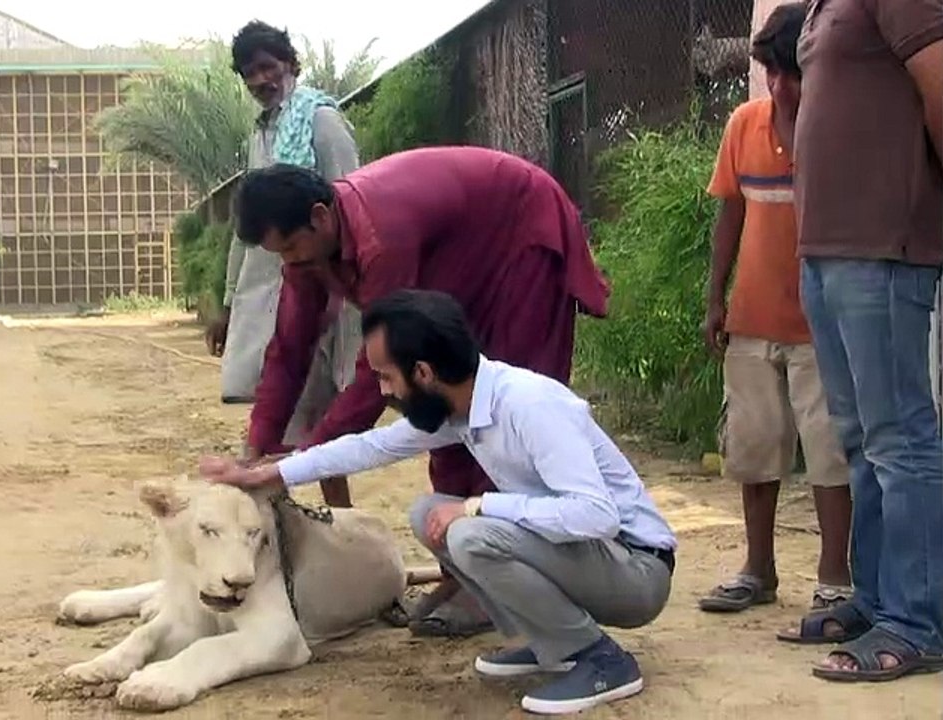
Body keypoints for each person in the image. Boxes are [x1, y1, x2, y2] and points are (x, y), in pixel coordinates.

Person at [201, 289, 675, 716]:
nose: (384, 391)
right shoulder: (461, 405)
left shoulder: (530, 405)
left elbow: (594, 514)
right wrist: (270, 471)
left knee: (468, 530)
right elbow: (369, 447)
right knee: (428, 513)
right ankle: (555, 641)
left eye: (387, 377)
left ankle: (601, 661)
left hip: (636, 571)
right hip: (595, 559)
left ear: (423, 373)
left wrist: (478, 505)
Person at [232, 145, 610, 638]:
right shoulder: (311, 253)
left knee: (495, 415)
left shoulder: (382, 238)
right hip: (461, 260)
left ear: (320, 218)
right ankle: (465, 573)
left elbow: (382, 372)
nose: (289, 263)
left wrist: (299, 459)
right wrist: (257, 445)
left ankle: (502, 582)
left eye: (288, 250)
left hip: (520, 235)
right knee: (439, 412)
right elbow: (289, 344)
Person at [784, 0, 943, 682]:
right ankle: (879, 598)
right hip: (827, 246)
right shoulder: (821, 6)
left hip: (883, 241)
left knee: (898, 436)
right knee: (859, 438)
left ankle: (918, 620)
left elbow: (938, 85)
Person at [698, 3, 852, 616]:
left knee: (829, 451)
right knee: (754, 447)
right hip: (752, 321)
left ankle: (835, 579)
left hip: (821, 328)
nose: (781, 86)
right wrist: (715, 299)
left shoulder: (836, 130)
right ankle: (757, 570)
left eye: (792, 73)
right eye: (771, 73)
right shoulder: (743, 124)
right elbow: (729, 216)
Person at [204, 20, 363, 509]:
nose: (259, 80)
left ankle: (339, 530)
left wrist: (338, 293)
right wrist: (230, 302)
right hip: (269, 292)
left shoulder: (321, 121)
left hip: (321, 291)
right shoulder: (260, 134)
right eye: (249, 73)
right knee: (285, 411)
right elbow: (245, 227)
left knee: (319, 417)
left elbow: (351, 204)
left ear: (291, 64)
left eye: (267, 67)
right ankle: (289, 526)